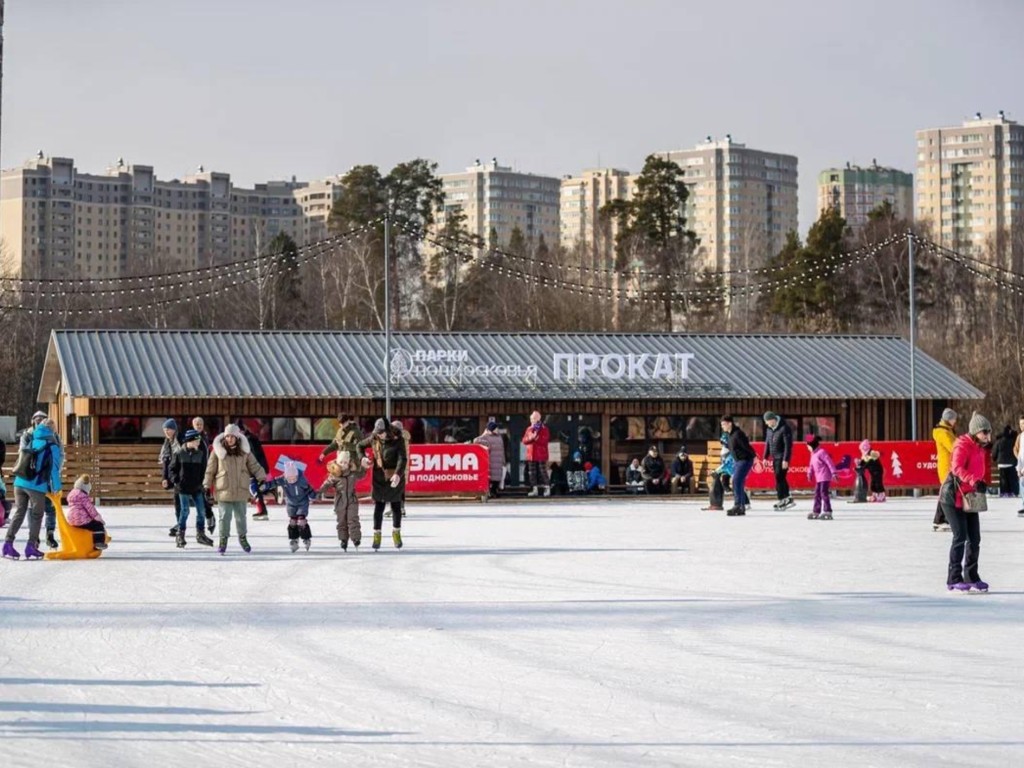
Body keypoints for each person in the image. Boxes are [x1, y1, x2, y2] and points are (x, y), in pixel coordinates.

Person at [938, 413, 992, 592]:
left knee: (974, 538)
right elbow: (957, 468)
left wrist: (980, 483)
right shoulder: (962, 444)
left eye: (989, 432)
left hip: (969, 497)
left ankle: (971, 576)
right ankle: (953, 578)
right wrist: (974, 480)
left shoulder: (980, 447)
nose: (988, 436)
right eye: (985, 432)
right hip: (952, 496)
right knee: (960, 536)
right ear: (976, 431)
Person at [4, 417, 63, 560]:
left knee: (19, 512)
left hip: (19, 482)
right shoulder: (52, 446)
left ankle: (7, 544)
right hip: (36, 485)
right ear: (53, 430)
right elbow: (54, 470)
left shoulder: (31, 440)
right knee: (37, 515)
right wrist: (57, 488)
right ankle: (31, 546)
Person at [204, 423, 267, 555]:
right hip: (224, 489)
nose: (229, 439)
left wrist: (262, 478)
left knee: (241, 517)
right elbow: (210, 470)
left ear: (237, 437)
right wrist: (206, 486)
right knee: (224, 517)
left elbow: (254, 466)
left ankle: (242, 538)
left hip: (240, 489)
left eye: (232, 436)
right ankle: (223, 540)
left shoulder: (245, 452)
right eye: (227, 436)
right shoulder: (217, 451)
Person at [356, 419, 407, 550]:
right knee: (379, 506)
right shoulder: (374, 437)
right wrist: (362, 458)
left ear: (388, 430)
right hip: (379, 476)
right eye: (378, 433)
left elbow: (402, 459)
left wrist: (398, 474)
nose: (380, 435)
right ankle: (377, 535)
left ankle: (396, 533)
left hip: (394, 475)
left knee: (396, 506)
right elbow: (359, 446)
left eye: (382, 433)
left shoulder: (397, 439)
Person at [16, 412, 59, 548]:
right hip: (32, 477)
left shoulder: (54, 436)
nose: (39, 421)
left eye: (42, 419)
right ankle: (34, 538)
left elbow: (59, 456)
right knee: (33, 509)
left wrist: (54, 472)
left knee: (50, 507)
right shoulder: (28, 435)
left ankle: (49, 533)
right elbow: (23, 454)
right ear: (33, 421)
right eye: (37, 419)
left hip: (45, 477)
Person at [169, 429, 215, 548]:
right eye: (197, 440)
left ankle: (200, 534)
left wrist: (203, 484)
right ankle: (180, 534)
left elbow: (204, 470)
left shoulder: (200, 454)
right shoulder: (179, 453)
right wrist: (176, 481)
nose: (199, 443)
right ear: (190, 441)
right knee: (185, 511)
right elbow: (172, 469)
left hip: (196, 487)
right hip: (183, 487)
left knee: (201, 511)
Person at [319, 455, 367, 551]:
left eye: (345, 462)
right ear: (337, 462)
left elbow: (361, 475)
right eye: (341, 462)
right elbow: (327, 484)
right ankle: (343, 539)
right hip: (340, 500)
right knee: (341, 520)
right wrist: (319, 492)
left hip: (352, 500)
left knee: (353, 519)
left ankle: (356, 538)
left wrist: (363, 467)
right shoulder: (334, 475)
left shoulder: (352, 473)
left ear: (349, 463)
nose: (343, 465)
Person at [268, 461, 318, 552]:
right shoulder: (282, 479)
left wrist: (313, 495)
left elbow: (309, 489)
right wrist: (264, 486)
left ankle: (306, 538)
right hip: (291, 503)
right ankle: (294, 539)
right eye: (289, 479)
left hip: (302, 502)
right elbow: (273, 482)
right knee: (293, 522)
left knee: (301, 521)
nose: (292, 480)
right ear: (286, 476)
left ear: (297, 475)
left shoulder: (302, 480)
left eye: (294, 478)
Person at [721, 416, 754, 516]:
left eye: (724, 424)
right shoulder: (729, 435)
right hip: (738, 461)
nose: (722, 426)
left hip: (745, 460)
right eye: (721, 425)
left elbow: (746, 446)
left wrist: (753, 456)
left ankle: (738, 505)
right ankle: (741, 507)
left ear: (730, 423)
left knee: (736, 481)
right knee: (738, 482)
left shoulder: (738, 434)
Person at [238, 421, 271, 521]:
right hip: (257, 467)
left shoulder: (249, 440)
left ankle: (262, 510)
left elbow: (255, 455)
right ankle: (262, 509)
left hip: (256, 468)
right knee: (255, 488)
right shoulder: (249, 438)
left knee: (254, 488)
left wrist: (254, 468)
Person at [65, 474, 108, 551]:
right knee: (98, 525)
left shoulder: (71, 494)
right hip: (81, 520)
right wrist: (98, 518)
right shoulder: (83, 496)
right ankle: (98, 542)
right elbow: (91, 509)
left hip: (71, 520)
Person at [763, 412, 794, 510]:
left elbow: (788, 446)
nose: (766, 424)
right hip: (774, 457)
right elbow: (767, 444)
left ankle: (783, 498)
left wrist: (785, 459)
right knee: (780, 478)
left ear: (773, 419)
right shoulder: (769, 429)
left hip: (782, 457)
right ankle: (787, 498)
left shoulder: (784, 428)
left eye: (767, 421)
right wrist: (765, 457)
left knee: (779, 477)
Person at [932, 409, 957, 531]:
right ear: (948, 419)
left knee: (947, 492)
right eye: (953, 419)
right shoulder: (943, 433)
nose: (955, 421)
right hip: (946, 466)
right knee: (946, 492)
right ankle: (940, 519)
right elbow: (953, 447)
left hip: (949, 465)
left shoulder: (947, 430)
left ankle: (941, 519)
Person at [191, 417, 216, 534]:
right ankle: (208, 516)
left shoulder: (204, 437)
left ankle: (208, 517)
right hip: (193, 472)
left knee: (200, 497)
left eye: (200, 423)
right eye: (197, 424)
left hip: (204, 472)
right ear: (193, 425)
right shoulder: (192, 437)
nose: (199, 425)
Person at [159, 418, 183, 538]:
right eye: (165, 430)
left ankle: (181, 525)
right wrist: (165, 478)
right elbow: (165, 462)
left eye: (169, 429)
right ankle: (180, 524)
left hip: (181, 476)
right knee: (178, 502)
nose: (167, 432)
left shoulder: (180, 442)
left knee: (183, 502)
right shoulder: (167, 444)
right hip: (174, 477)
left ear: (174, 430)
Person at [805, 436, 837, 520]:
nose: (807, 448)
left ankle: (827, 510)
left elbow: (829, 462)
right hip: (819, 478)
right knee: (817, 494)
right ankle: (816, 511)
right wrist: (809, 473)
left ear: (812, 445)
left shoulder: (821, 452)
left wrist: (834, 473)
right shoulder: (813, 454)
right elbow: (811, 465)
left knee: (823, 493)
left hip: (825, 477)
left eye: (808, 446)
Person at [473, 420, 506, 499]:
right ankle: (491, 492)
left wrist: (503, 460)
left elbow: (502, 449)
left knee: (497, 479)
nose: (497, 429)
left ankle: (494, 492)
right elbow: (476, 440)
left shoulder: (499, 437)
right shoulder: (486, 436)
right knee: (491, 478)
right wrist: (485, 440)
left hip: (499, 461)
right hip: (491, 461)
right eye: (495, 428)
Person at [521, 411, 551, 497]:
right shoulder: (529, 429)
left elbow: (545, 440)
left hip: (541, 453)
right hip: (531, 454)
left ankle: (547, 488)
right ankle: (534, 490)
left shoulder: (544, 429)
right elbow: (524, 440)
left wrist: (536, 438)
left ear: (538, 419)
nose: (532, 420)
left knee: (543, 471)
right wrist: (531, 437)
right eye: (531, 418)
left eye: (533, 418)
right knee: (532, 472)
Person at [702, 436, 734, 511]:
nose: (723, 445)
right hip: (727, 470)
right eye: (722, 443)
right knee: (723, 479)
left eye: (724, 443)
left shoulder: (730, 452)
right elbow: (723, 463)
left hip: (733, 470)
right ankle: (727, 491)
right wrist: (716, 471)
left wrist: (716, 470)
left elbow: (726, 464)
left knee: (737, 486)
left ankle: (744, 502)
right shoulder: (724, 451)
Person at [992, 425, 1018, 498]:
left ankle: (1004, 492)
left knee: (1003, 479)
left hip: (1001, 464)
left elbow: (994, 452)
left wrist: (994, 459)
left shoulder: (998, 441)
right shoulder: (1013, 440)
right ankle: (1012, 492)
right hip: (1011, 463)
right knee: (1011, 478)